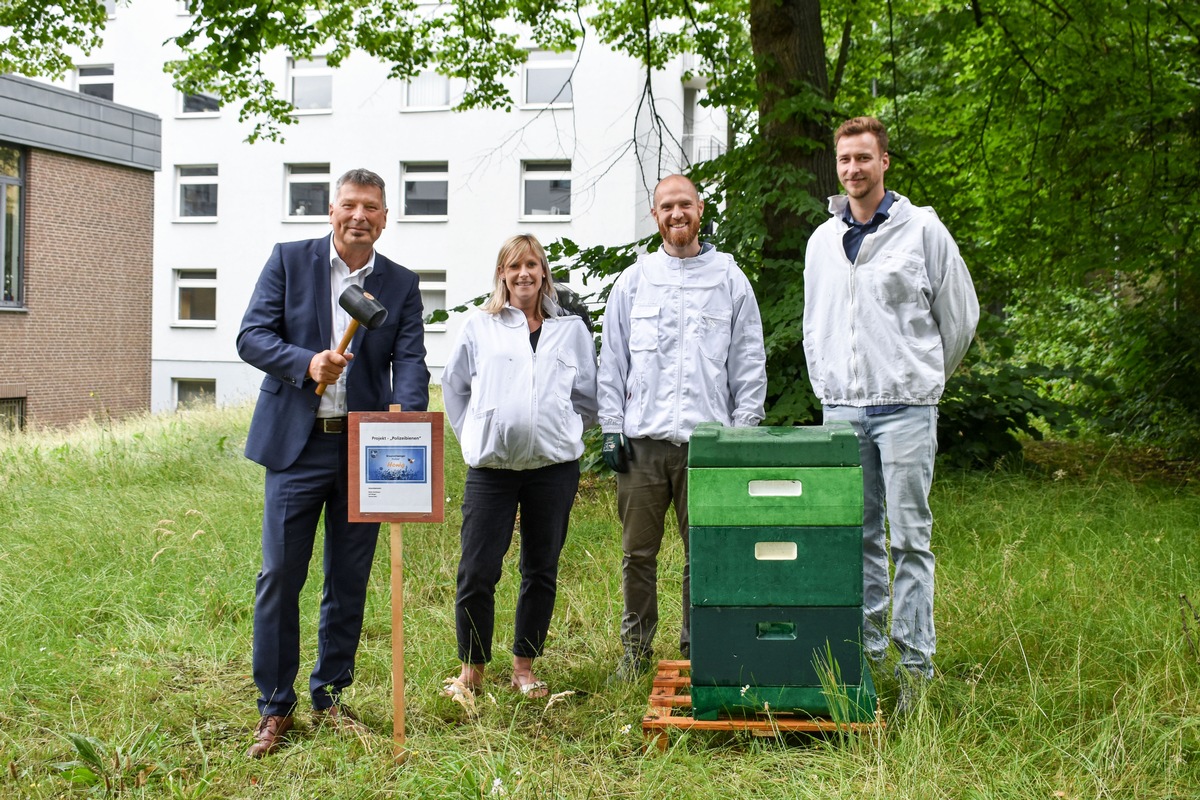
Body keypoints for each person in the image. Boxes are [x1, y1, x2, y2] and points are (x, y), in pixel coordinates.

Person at [237, 168, 430, 758]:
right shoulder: (290, 261)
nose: (360, 217)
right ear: (330, 211)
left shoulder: (399, 283)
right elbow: (251, 337)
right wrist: (306, 363)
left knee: (347, 581)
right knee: (280, 577)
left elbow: (412, 360)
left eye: (371, 208)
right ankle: (275, 705)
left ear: (385, 217)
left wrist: (408, 425)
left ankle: (331, 697)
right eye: (350, 205)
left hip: (364, 447)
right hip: (297, 447)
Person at [802, 116, 979, 709]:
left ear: (885, 162)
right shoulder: (821, 241)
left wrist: (922, 377)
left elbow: (960, 317)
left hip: (905, 412)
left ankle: (916, 673)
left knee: (909, 542)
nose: (853, 169)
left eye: (864, 158)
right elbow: (813, 325)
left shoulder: (921, 230)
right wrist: (828, 385)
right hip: (842, 412)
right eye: (845, 159)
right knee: (855, 540)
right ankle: (867, 656)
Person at [597, 174, 768, 682]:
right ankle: (636, 651)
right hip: (643, 444)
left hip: (709, 446)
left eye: (685, 205)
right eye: (666, 206)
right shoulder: (634, 280)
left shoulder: (730, 279)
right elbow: (613, 361)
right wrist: (610, 426)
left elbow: (748, 363)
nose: (677, 214)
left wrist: (744, 433)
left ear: (699, 209)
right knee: (637, 555)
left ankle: (701, 649)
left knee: (708, 554)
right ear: (655, 216)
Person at [440, 234, 598, 701]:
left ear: (543, 272)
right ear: (502, 275)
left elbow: (587, 397)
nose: (524, 274)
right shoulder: (479, 326)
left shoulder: (569, 330)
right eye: (514, 267)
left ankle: (523, 668)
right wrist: (476, 436)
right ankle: (471, 672)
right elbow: (455, 389)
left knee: (540, 569)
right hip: (492, 470)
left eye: (532, 265)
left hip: (553, 469)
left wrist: (562, 431)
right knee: (477, 571)